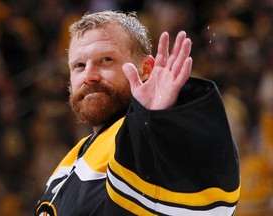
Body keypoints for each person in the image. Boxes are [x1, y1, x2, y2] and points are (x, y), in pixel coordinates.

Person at [35, 10, 240, 216]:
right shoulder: (73, 159)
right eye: (79, 65)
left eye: (106, 60)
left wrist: (159, 120)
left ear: (146, 69)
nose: (89, 75)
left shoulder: (143, 140)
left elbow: (202, 203)